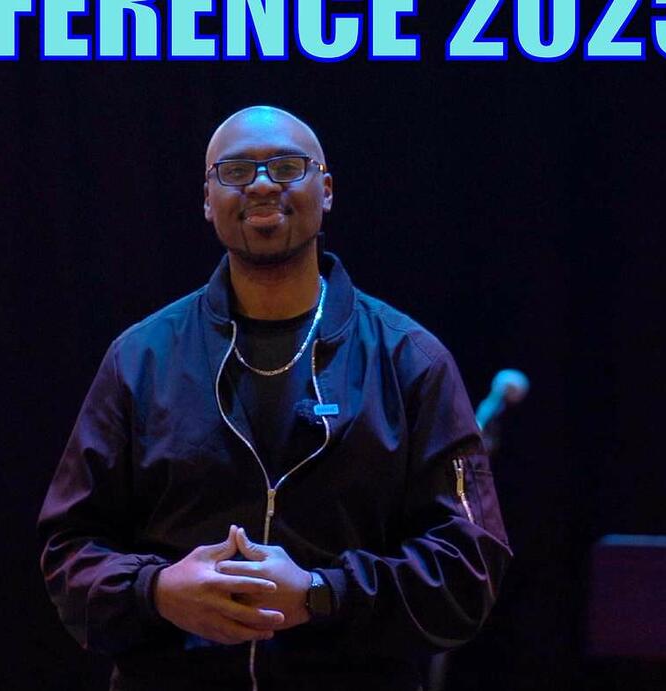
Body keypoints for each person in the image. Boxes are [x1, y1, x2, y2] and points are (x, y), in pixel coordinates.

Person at [38, 106, 511, 691]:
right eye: (236, 171)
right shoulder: (141, 359)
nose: (262, 185)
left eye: (286, 167)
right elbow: (68, 551)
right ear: (207, 199)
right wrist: (155, 592)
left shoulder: (411, 360)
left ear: (326, 190)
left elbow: (469, 567)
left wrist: (320, 593)